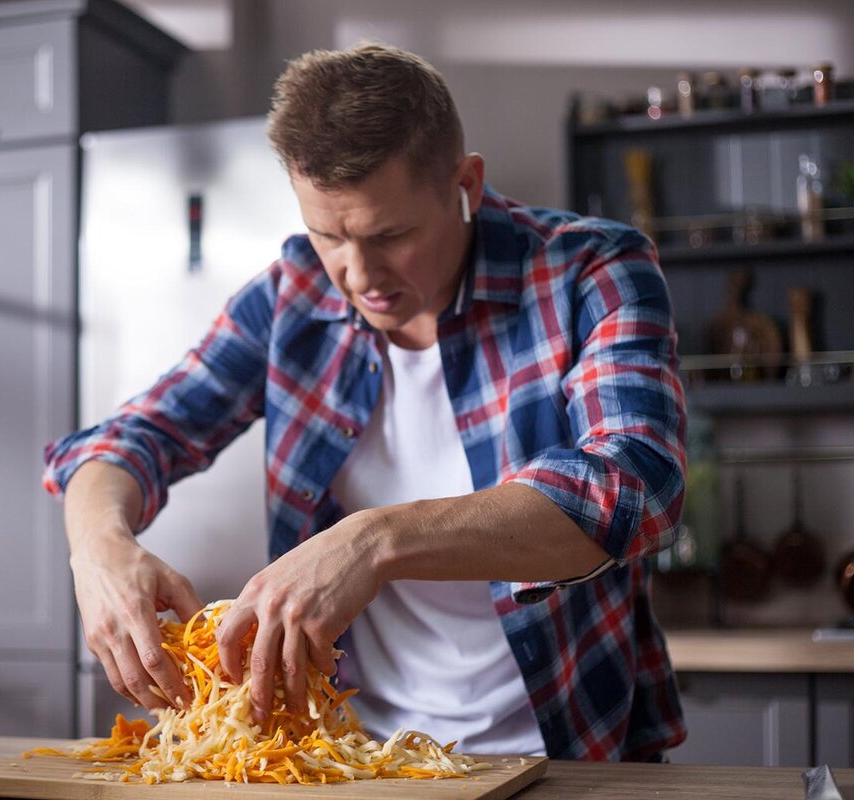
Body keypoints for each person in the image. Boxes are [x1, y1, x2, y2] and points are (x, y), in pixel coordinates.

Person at [43, 43, 686, 762]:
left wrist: (373, 541)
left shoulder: (589, 268)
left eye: (392, 235)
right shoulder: (293, 293)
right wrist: (98, 549)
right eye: (329, 235)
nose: (358, 274)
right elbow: (129, 437)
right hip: (353, 761)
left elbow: (635, 485)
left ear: (465, 182)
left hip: (566, 755)